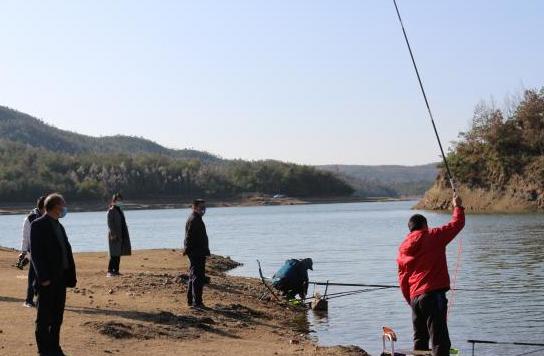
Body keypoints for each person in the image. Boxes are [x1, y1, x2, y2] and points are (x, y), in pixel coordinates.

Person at [397, 193, 465, 356]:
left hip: (415, 299)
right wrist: (458, 207)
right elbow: (457, 224)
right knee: (440, 341)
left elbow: (402, 279)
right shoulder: (432, 236)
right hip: (433, 296)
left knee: (420, 339)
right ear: (425, 225)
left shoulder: (402, 248)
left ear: (410, 229)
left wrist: (412, 300)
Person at [30, 193, 77, 356]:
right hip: (47, 280)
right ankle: (44, 350)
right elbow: (36, 254)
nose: (65, 207)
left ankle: (55, 347)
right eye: (63, 204)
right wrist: (43, 278)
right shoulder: (38, 225)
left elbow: (65, 250)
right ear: (55, 206)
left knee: (57, 316)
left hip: (61, 278)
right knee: (44, 318)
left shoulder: (59, 225)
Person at [183, 199, 211, 308]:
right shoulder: (194, 219)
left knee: (193, 276)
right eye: (201, 208)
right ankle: (197, 302)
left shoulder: (196, 218)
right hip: (196, 253)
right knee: (197, 278)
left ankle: (191, 301)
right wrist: (187, 250)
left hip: (198, 252)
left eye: (204, 208)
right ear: (194, 208)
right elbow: (189, 237)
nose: (203, 210)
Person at [20, 195, 47, 307]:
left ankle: (41, 298)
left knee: (43, 276)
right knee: (33, 276)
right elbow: (25, 237)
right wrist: (23, 252)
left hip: (46, 252)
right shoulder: (30, 218)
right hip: (34, 253)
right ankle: (29, 300)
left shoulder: (48, 216)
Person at [106, 193, 132, 277]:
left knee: (118, 253)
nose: (120, 202)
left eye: (121, 200)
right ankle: (110, 271)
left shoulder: (120, 210)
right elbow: (110, 224)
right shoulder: (111, 210)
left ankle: (116, 270)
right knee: (113, 254)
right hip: (114, 235)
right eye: (118, 200)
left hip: (121, 235)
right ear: (114, 201)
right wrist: (113, 234)